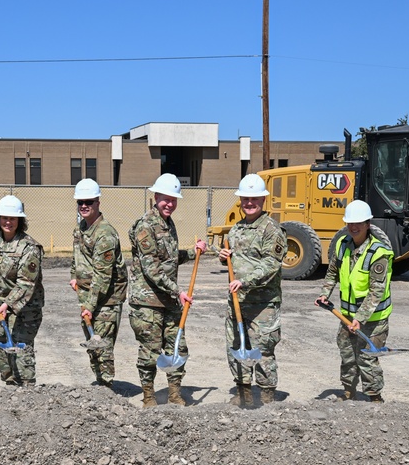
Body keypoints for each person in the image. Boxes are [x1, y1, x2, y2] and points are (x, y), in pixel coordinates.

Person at [128, 173, 207, 407]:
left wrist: (193, 252)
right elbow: (151, 269)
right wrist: (178, 291)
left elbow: (169, 259)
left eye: (174, 199)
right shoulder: (145, 226)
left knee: (177, 346)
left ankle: (174, 394)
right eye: (166, 199)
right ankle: (149, 397)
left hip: (170, 301)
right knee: (150, 351)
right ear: (156, 196)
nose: (170, 204)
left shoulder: (168, 224)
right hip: (147, 302)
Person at [217, 174, 286, 407]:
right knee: (237, 347)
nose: (249, 203)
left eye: (254, 199)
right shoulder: (236, 229)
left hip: (263, 303)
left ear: (263, 200)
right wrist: (224, 257)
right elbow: (233, 261)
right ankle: (243, 392)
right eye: (245, 199)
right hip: (237, 301)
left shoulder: (272, 230)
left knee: (262, 350)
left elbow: (271, 264)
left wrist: (244, 281)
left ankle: (267, 397)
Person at [315, 199, 393, 403]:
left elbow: (376, 291)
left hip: (373, 318)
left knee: (367, 358)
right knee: (348, 355)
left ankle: (375, 398)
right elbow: (332, 271)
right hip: (347, 315)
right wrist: (325, 293)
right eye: (350, 223)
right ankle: (348, 393)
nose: (353, 227)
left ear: (368, 224)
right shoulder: (343, 244)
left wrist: (360, 318)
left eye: (358, 223)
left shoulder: (379, 253)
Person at [0, 195, 44, 386]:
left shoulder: (29, 247)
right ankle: (10, 392)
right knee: (3, 357)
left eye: (12, 218)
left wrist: (7, 304)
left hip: (24, 309)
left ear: (20, 221)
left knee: (21, 355)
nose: (8, 222)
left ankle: (27, 391)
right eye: (4, 217)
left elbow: (26, 284)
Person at [69, 178, 128, 390]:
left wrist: (90, 307)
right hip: (88, 298)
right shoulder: (81, 228)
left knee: (102, 346)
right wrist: (74, 275)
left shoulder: (105, 233)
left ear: (98, 203)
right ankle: (100, 385)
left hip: (106, 300)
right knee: (92, 345)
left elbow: (103, 276)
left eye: (89, 202)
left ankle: (106, 387)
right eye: (80, 202)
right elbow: (77, 258)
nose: (84, 206)